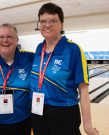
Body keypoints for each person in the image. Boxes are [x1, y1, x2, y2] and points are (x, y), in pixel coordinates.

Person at [30, 2, 99, 135]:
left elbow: (83, 90)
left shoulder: (73, 49)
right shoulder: (39, 48)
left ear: (61, 23)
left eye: (53, 21)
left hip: (63, 113)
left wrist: (88, 126)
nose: (47, 25)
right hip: (38, 111)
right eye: (43, 21)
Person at [0, 23, 34, 135]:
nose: (5, 40)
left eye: (9, 36)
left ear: (17, 40)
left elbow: (49, 53)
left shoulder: (29, 59)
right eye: (1, 37)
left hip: (22, 124)